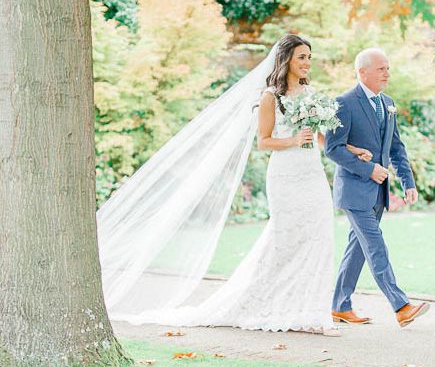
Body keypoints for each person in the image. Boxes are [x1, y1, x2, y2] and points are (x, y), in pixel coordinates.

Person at [98, 34, 363, 335]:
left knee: (319, 239)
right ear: (287, 59)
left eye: (309, 57)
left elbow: (319, 138)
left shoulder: (311, 94)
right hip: (285, 177)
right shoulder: (270, 98)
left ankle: (314, 314)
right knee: (284, 242)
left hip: (313, 176)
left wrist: (350, 149)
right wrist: (291, 140)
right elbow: (263, 141)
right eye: (302, 57)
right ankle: (268, 306)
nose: (307, 63)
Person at [326, 48, 429, 327]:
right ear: (363, 72)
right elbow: (333, 149)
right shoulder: (344, 103)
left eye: (388, 68)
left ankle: (339, 306)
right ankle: (401, 306)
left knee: (357, 249)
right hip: (354, 191)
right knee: (375, 246)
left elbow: (396, 147)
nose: (387, 73)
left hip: (378, 193)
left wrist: (408, 181)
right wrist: (369, 169)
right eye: (381, 68)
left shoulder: (388, 103)